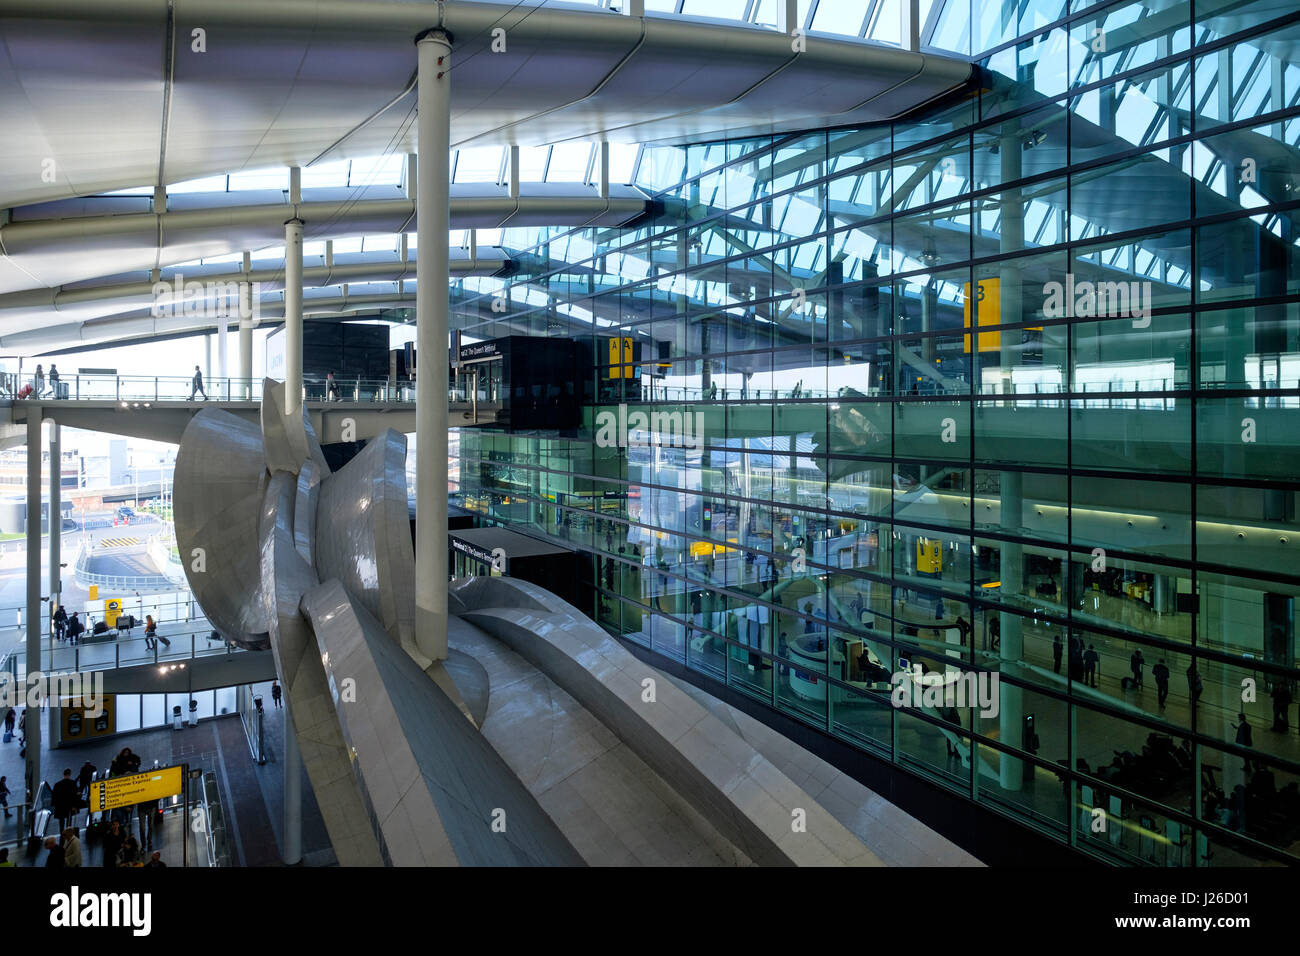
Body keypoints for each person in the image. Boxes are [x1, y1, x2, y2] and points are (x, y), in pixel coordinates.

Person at [51, 767, 80, 831]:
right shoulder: (72, 783)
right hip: (69, 806)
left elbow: (54, 796)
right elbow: (75, 796)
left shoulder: (57, 784)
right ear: (69, 774)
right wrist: (75, 806)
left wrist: (55, 805)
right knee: (69, 819)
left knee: (61, 820)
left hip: (60, 806)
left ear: (63, 774)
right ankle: (68, 832)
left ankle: (61, 832)